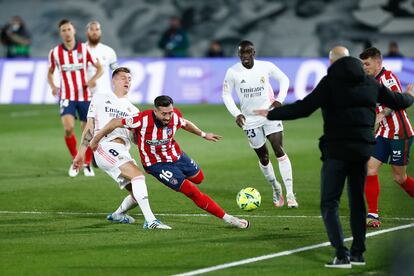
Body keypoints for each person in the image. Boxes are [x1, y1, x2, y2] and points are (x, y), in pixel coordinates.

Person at [254, 46, 414, 268]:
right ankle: (358, 254)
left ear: (331, 62)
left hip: (337, 152)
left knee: (330, 203)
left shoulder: (330, 82)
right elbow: (398, 101)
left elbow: (304, 108)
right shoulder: (370, 83)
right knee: (357, 201)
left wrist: (271, 114)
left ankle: (342, 255)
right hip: (361, 151)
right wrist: (410, 96)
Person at [89, 95, 250, 229]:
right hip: (157, 165)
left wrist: (203, 134)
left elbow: (185, 123)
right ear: (155, 111)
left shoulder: (174, 117)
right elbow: (114, 122)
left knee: (199, 178)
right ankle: (229, 218)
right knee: (192, 192)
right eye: (164, 114)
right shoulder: (142, 119)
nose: (167, 117)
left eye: (170, 113)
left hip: (176, 156)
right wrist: (95, 140)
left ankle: (121, 212)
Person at [72, 67, 171, 229]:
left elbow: (135, 140)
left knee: (136, 192)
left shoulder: (133, 110)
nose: (127, 81)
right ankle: (151, 221)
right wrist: (81, 153)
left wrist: (150, 136)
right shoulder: (100, 98)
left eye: (130, 79)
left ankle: (118, 215)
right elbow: (89, 127)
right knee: (138, 176)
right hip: (104, 146)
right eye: (123, 78)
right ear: (114, 81)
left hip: (122, 151)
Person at [222, 40, 298, 208]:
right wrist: (236, 113)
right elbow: (226, 95)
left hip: (270, 114)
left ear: (253, 53)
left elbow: (284, 79)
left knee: (279, 150)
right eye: (242, 54)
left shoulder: (266, 66)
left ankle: (291, 194)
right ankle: (275, 187)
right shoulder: (233, 72)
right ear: (239, 54)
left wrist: (279, 100)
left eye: (248, 53)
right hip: (249, 120)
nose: (245, 57)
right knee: (264, 157)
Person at [359, 47, 414, 228]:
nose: (365, 67)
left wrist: (382, 113)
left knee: (400, 178)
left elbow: (397, 100)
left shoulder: (388, 78)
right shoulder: (370, 81)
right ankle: (372, 214)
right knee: (370, 168)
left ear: (378, 63)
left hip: (399, 133)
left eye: (367, 64)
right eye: (363, 64)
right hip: (383, 133)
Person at [47, 19, 103, 177]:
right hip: (67, 96)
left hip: (85, 96)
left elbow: (99, 68)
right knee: (68, 128)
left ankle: (87, 164)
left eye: (68, 29)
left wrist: (93, 80)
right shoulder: (55, 53)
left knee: (87, 131)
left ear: (74, 31)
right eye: (63, 30)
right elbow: (50, 72)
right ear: (61, 33)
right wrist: (52, 86)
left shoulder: (85, 50)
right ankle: (76, 161)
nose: (66, 32)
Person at [85, 21, 118, 96]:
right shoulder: (80, 51)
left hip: (104, 94)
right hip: (86, 95)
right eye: (91, 29)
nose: (94, 32)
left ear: (100, 32)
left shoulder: (109, 51)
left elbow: (116, 72)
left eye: (97, 29)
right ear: (87, 32)